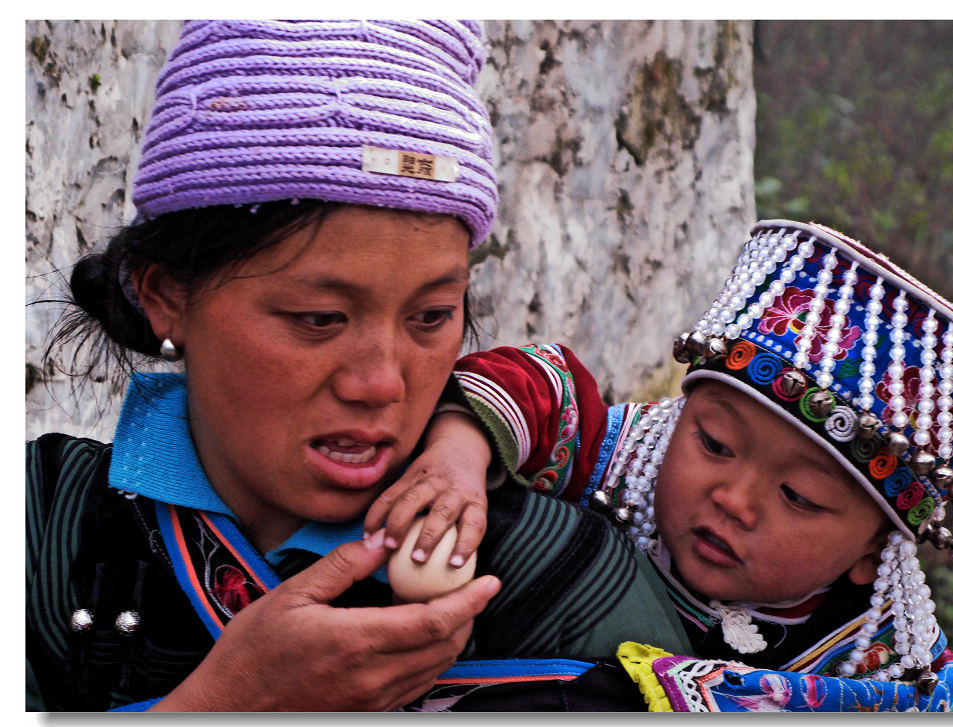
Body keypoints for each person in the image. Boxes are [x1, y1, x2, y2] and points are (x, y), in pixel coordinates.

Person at [26, 20, 691, 712]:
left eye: (431, 317)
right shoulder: (43, 525)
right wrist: (228, 701)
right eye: (319, 320)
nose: (380, 384)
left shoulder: (558, 578)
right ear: (167, 298)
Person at [372, 219, 953, 712]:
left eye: (799, 495)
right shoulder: (626, 456)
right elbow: (539, 384)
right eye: (716, 445)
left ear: (872, 551)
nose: (733, 498)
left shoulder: (883, 669)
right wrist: (457, 456)